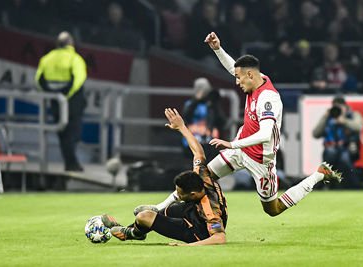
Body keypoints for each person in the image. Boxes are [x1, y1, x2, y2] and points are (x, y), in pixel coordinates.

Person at [135, 32, 343, 218]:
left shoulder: (268, 99)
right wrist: (218, 49)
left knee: (273, 209)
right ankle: (159, 208)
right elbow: (235, 68)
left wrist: (231, 144)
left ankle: (318, 175)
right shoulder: (255, 78)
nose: (236, 82)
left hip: (261, 159)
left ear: (251, 75)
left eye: (239, 79)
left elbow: (265, 134)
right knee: (202, 176)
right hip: (240, 149)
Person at [101, 108, 227, 246]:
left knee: (144, 216)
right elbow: (199, 152)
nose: (176, 195)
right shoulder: (201, 175)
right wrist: (181, 127)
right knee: (163, 211)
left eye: (180, 193)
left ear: (192, 194)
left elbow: (220, 238)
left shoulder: (210, 209)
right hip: (193, 210)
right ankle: (138, 225)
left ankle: (133, 233)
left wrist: (187, 246)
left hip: (197, 232)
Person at [35, 31, 87, 171]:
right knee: (74, 135)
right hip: (73, 102)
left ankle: (71, 164)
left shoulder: (47, 59)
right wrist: (65, 94)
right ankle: (72, 164)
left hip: (56, 102)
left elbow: (39, 79)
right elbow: (78, 80)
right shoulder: (75, 59)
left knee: (63, 135)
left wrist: (52, 94)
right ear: (70, 43)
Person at [312, 96, 363, 188]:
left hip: (347, 148)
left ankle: (353, 185)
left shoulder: (353, 115)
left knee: (345, 158)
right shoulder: (329, 117)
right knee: (330, 152)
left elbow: (358, 126)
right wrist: (325, 117)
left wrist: (344, 121)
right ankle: (324, 184)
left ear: (345, 107)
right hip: (331, 148)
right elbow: (315, 134)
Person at [181, 77, 226, 162]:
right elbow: (185, 118)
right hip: (192, 141)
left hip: (210, 142)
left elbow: (222, 122)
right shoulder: (190, 104)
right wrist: (196, 100)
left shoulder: (212, 105)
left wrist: (215, 103)